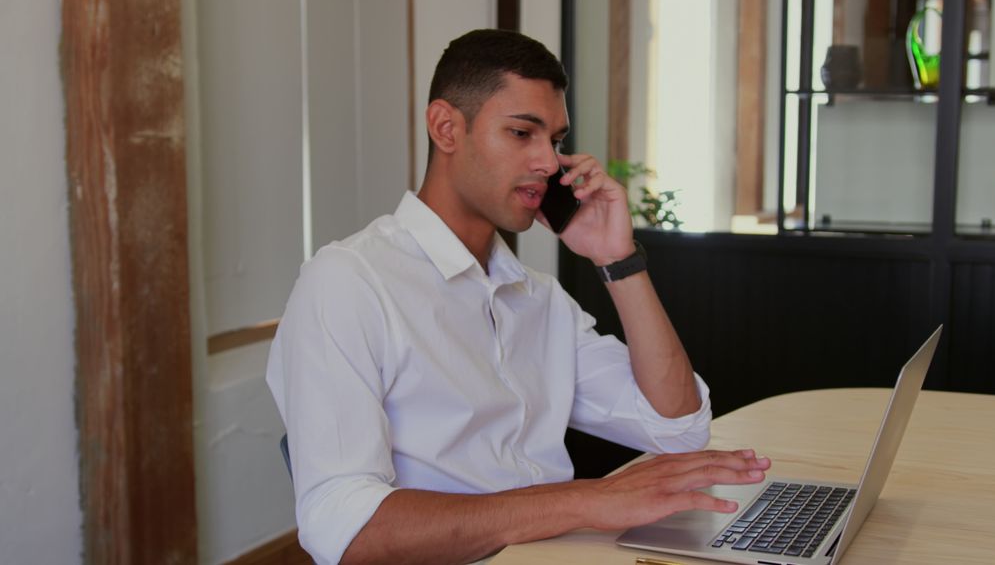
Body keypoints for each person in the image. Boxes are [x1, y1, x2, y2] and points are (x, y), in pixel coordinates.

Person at [266, 29, 770, 565]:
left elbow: (678, 427)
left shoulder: (538, 298)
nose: (550, 164)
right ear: (445, 127)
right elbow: (345, 530)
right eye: (521, 133)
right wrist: (586, 500)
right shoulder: (349, 282)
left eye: (554, 140)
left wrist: (617, 262)